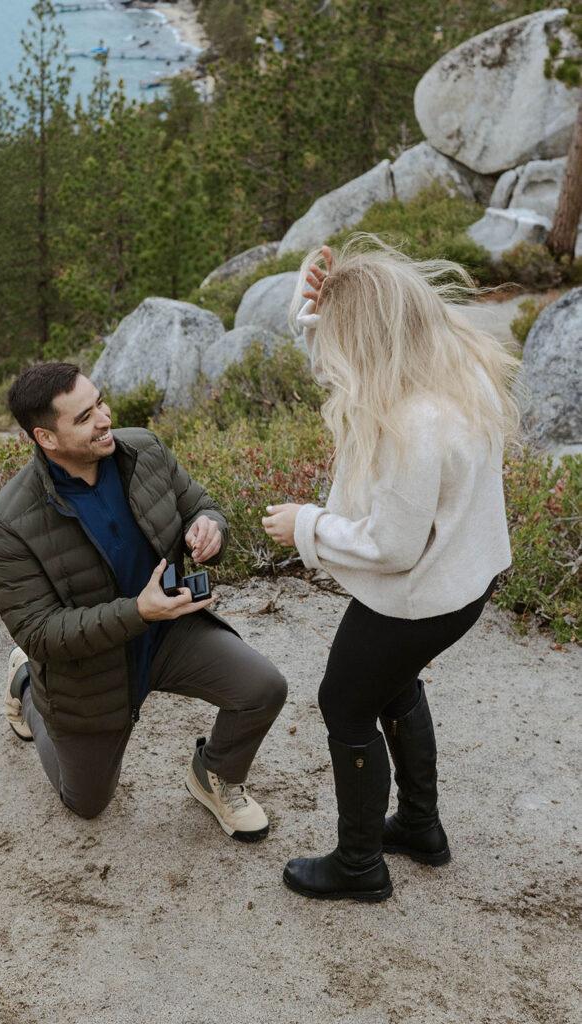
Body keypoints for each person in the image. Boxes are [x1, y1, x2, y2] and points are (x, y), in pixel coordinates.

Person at [262, 238, 519, 901]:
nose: (324, 359)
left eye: (332, 338)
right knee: (392, 685)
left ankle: (357, 867)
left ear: (361, 340)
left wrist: (306, 526)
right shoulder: (452, 368)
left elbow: (392, 547)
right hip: (463, 578)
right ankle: (417, 827)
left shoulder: (413, 426)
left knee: (344, 704)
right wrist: (310, 293)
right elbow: (337, 340)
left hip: (418, 591)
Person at [0, 362, 287, 840]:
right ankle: (26, 686)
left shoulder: (143, 449)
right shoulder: (8, 521)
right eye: (83, 417)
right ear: (46, 437)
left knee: (263, 688)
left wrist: (209, 529)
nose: (104, 418)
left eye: (99, 402)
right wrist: (136, 612)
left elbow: (200, 505)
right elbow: (39, 632)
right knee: (86, 804)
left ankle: (215, 775)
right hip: (89, 670)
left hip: (169, 633)